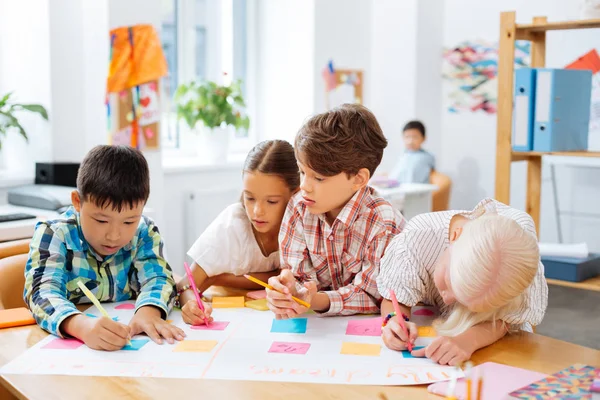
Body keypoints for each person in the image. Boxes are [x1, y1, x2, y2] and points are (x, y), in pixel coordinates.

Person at [24, 145, 183, 350]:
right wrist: (81, 326)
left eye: (128, 222)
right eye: (101, 221)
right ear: (77, 202)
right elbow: (42, 293)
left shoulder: (144, 232)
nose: (114, 236)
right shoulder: (54, 234)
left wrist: (149, 311)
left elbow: (159, 278)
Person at [266, 104, 406, 318]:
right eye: (302, 172)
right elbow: (297, 277)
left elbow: (372, 296)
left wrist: (314, 300)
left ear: (358, 179)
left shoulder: (383, 222)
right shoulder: (299, 207)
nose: (304, 185)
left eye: (319, 178)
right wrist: (287, 289)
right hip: (320, 329)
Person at [377, 198, 548, 366]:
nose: (446, 300)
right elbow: (395, 297)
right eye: (446, 281)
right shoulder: (417, 238)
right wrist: (393, 321)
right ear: (455, 236)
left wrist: (469, 341)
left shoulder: (521, 251)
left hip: (502, 348)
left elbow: (508, 319)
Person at [177, 140, 300, 325]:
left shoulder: (302, 225)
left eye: (271, 201)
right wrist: (190, 305)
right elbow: (186, 285)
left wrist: (220, 278)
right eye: (249, 198)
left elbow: (288, 279)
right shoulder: (233, 225)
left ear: (295, 195)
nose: (257, 211)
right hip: (234, 317)